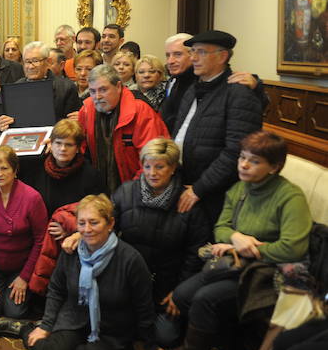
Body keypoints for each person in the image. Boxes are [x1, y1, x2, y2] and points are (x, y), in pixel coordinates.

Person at [154, 131, 312, 350]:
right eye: (242, 157)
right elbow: (221, 228)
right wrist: (236, 238)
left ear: (274, 167)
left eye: (254, 161)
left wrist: (250, 248)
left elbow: (293, 248)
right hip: (235, 266)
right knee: (182, 295)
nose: (244, 165)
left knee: (205, 299)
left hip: (268, 275)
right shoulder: (239, 189)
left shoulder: (289, 196)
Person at [23, 195, 159, 350]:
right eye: (82, 223)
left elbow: (144, 306)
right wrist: (46, 326)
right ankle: (23, 329)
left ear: (110, 224)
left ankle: (75, 349)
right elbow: (56, 289)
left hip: (111, 328)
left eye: (94, 223)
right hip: (74, 318)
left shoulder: (130, 260)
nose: (87, 229)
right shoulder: (71, 251)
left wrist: (151, 346)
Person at [171, 31, 264, 226]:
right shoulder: (193, 88)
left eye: (201, 52)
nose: (193, 58)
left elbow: (236, 152)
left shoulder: (239, 93)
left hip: (214, 195)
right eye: (192, 51)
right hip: (185, 183)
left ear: (222, 56)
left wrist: (199, 188)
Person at [111, 138, 209, 307]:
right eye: (147, 166)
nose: (152, 173)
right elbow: (106, 227)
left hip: (169, 287)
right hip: (127, 279)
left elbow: (195, 253)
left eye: (159, 167)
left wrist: (181, 291)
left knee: (165, 325)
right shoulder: (125, 192)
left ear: (173, 168)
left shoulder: (188, 202)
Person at [0, 146, 47, 319]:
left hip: (22, 265)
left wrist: (25, 277)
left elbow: (40, 240)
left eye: (5, 168)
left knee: (14, 312)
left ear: (15, 170)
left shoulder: (32, 198)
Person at [77, 64, 169, 194]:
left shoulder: (141, 111)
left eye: (103, 90)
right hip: (99, 191)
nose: (97, 96)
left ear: (118, 86)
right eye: (92, 91)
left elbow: (155, 160)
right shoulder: (86, 110)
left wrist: (130, 193)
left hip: (138, 190)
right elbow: (79, 150)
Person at [23, 119, 105, 217]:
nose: (62, 149)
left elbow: (98, 211)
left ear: (77, 148)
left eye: (69, 145)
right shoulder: (35, 170)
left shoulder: (91, 175)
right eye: (58, 143)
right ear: (51, 144)